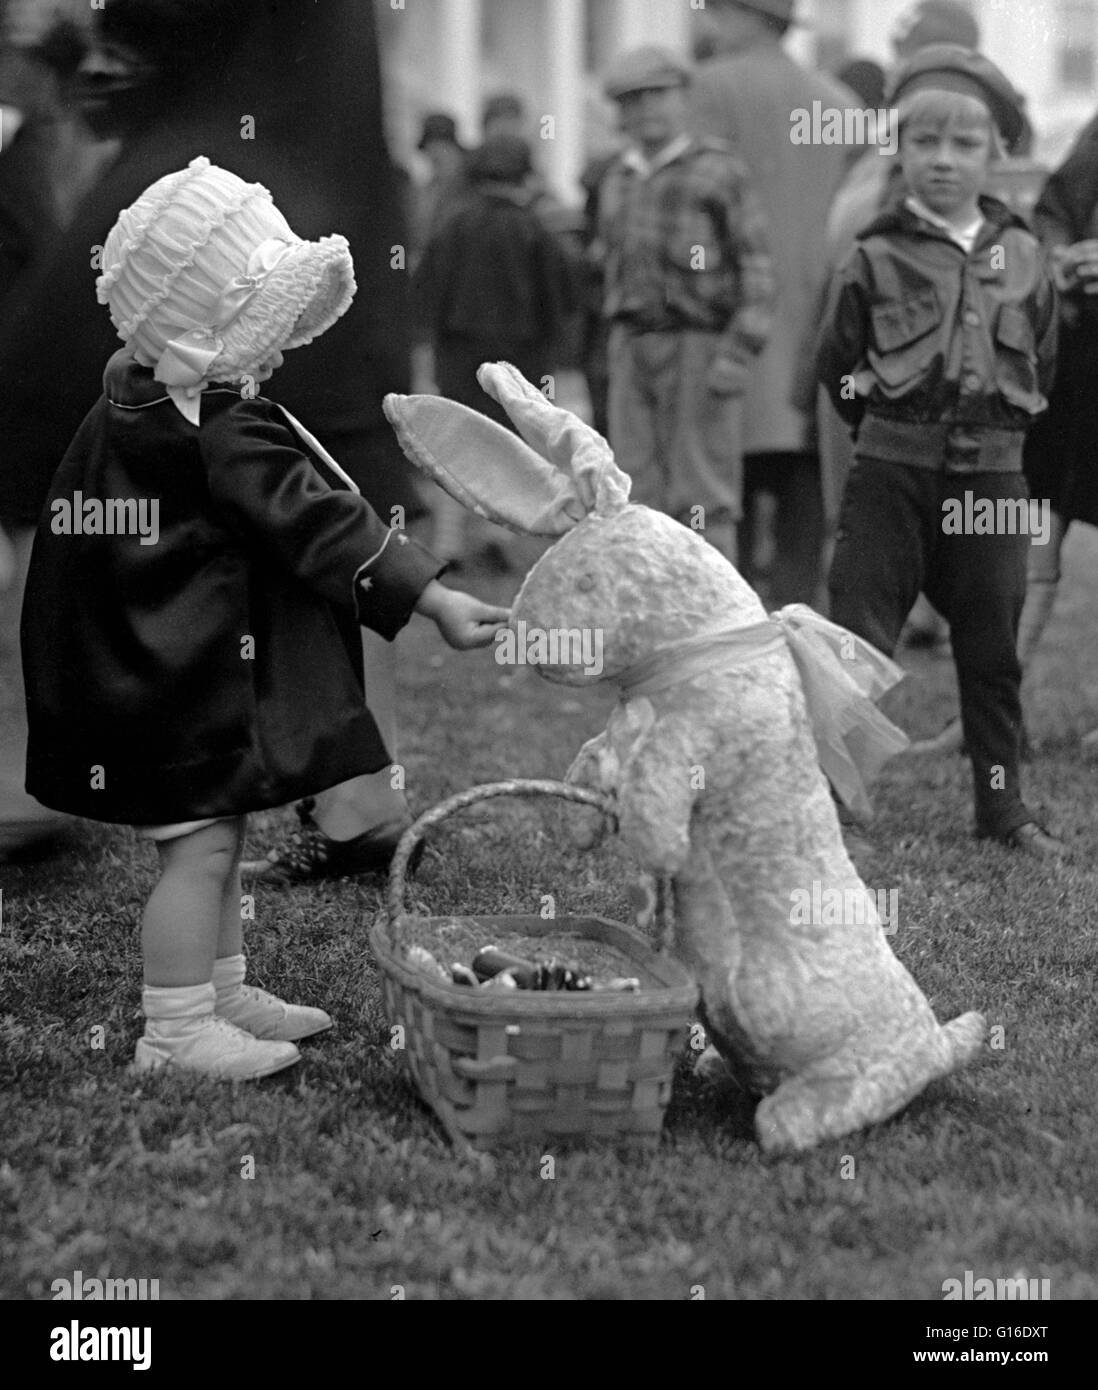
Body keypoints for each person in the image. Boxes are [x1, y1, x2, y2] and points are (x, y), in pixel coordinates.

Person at [20, 158, 509, 1082]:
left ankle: (221, 987)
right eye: (257, 322)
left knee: (217, 831)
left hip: (153, 665)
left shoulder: (137, 393)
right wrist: (431, 597)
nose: (276, 345)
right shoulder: (218, 426)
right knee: (198, 852)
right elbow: (321, 520)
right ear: (201, 323)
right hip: (177, 678)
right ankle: (173, 1031)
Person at [0, 0, 426, 882]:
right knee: (330, 447)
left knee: (30, 413)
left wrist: (105, 34)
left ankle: (22, 772)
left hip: (217, 192)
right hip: (332, 172)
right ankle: (362, 799)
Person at [817, 46, 1066, 861]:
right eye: (926, 144)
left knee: (993, 651)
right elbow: (838, 368)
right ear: (900, 151)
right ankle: (829, 799)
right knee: (855, 644)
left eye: (965, 145)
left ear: (995, 154)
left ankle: (1002, 808)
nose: (944, 162)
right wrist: (888, 441)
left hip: (994, 476)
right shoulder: (875, 253)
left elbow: (1046, 364)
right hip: (891, 472)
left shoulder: (1026, 257)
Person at [688, 0, 856, 602]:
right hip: (817, 323)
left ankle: (724, 616)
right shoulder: (841, 106)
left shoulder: (707, 89)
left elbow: (690, 208)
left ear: (744, 16)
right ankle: (793, 617)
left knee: (715, 489)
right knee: (804, 486)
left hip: (726, 328)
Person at [596, 44, 774, 565]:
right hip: (632, 343)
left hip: (700, 343)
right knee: (632, 483)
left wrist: (737, 353)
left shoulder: (718, 171)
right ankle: (651, 605)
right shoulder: (618, 178)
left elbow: (759, 271)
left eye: (657, 95)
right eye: (631, 100)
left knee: (704, 488)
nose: (645, 109)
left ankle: (717, 617)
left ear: (683, 98)